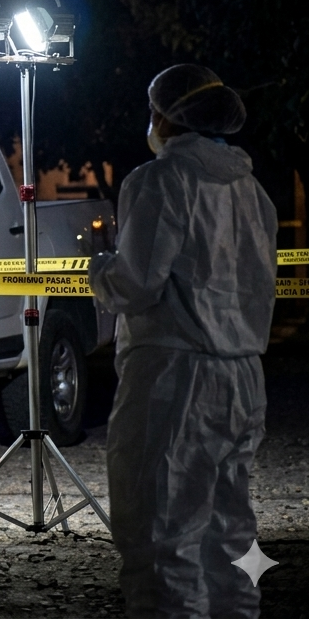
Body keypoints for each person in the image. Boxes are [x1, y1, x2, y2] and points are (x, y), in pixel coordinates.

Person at [90, 64, 277, 618]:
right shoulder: (253, 190)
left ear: (167, 115)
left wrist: (98, 270)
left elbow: (136, 283)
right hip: (245, 377)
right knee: (232, 536)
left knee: (160, 537)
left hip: (176, 377)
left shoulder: (161, 181)